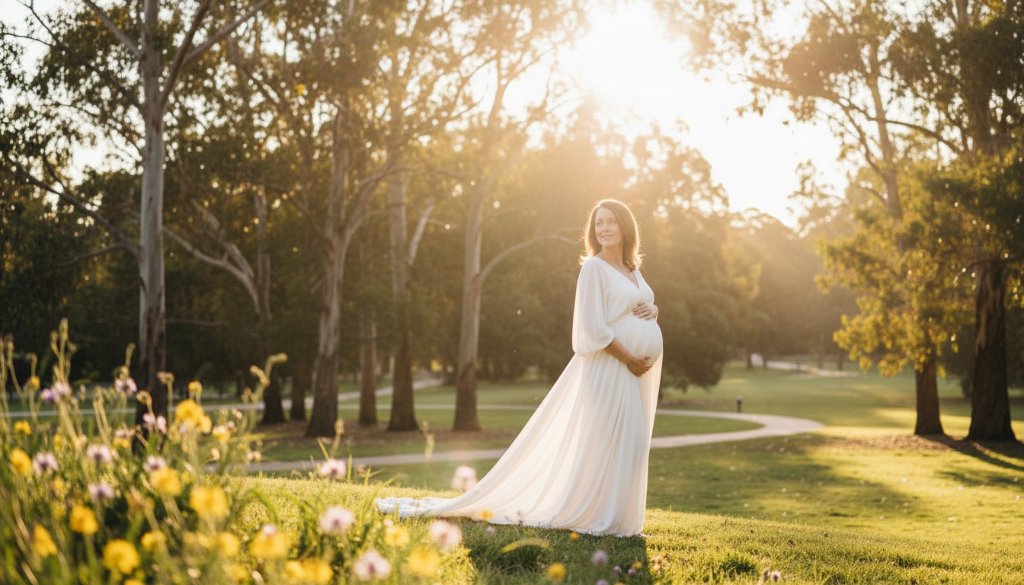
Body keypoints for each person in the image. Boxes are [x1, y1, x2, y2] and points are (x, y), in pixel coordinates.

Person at [375, 199, 663, 537]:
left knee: (633, 444)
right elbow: (592, 328)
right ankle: (603, 519)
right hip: (611, 368)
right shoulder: (593, 268)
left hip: (633, 372)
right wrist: (629, 358)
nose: (604, 228)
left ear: (625, 227)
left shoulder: (632, 269)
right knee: (616, 442)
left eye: (611, 221)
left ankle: (619, 520)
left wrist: (654, 311)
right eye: (599, 222)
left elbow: (637, 303)